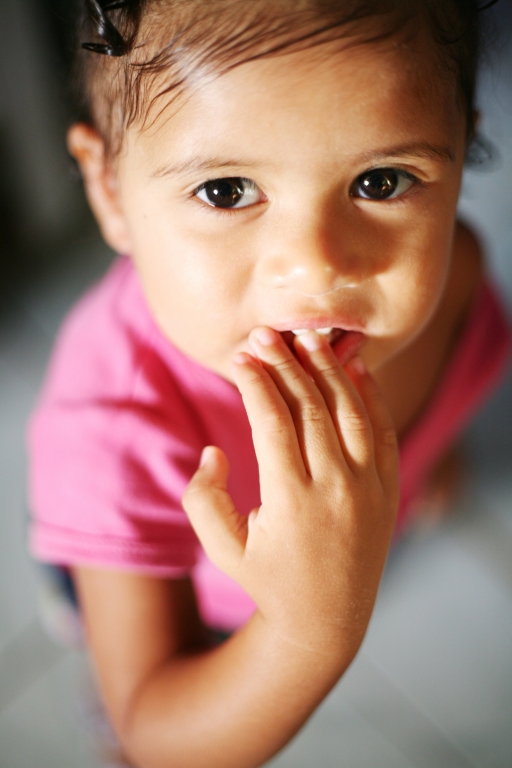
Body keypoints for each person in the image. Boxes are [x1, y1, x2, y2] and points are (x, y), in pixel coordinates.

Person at [28, 1, 511, 766]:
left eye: (381, 180)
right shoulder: (112, 432)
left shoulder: (455, 277)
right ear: (111, 189)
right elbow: (156, 733)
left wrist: (422, 464)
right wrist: (307, 629)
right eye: (226, 191)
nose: (316, 267)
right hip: (203, 614)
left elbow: (458, 378)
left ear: (458, 156)